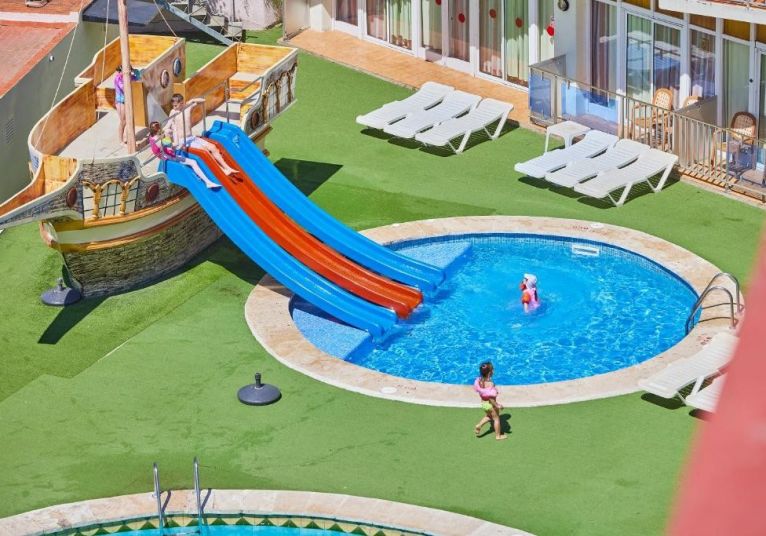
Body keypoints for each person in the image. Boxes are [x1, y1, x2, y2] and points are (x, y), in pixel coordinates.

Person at [164, 93, 238, 175]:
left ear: (181, 103)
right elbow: (168, 125)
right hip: (183, 140)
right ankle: (221, 170)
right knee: (205, 151)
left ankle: (227, 168)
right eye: (173, 106)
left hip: (192, 137)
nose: (174, 107)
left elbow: (203, 100)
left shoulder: (188, 107)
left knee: (213, 147)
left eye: (176, 105)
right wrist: (166, 131)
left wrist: (191, 101)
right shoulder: (173, 112)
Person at [148, 121, 220, 190]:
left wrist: (169, 126)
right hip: (169, 157)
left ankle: (207, 181)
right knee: (193, 162)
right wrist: (174, 130)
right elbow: (176, 144)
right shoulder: (161, 141)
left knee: (176, 143)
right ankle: (208, 183)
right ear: (158, 130)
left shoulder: (151, 137)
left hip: (163, 154)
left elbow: (161, 144)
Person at [473, 361, 507, 440]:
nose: (494, 371)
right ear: (489, 373)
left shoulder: (480, 381)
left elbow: (484, 394)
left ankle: (479, 425)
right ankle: (498, 436)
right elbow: (491, 398)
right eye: (493, 370)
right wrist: (497, 405)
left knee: (489, 416)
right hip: (491, 405)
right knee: (496, 419)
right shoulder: (490, 384)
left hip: (484, 403)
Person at [114, 65, 141, 144]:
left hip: (127, 101)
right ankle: (121, 140)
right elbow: (123, 88)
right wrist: (126, 76)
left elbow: (138, 77)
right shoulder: (118, 78)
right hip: (120, 102)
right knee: (123, 121)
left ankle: (128, 136)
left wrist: (134, 70)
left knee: (129, 119)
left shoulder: (129, 76)